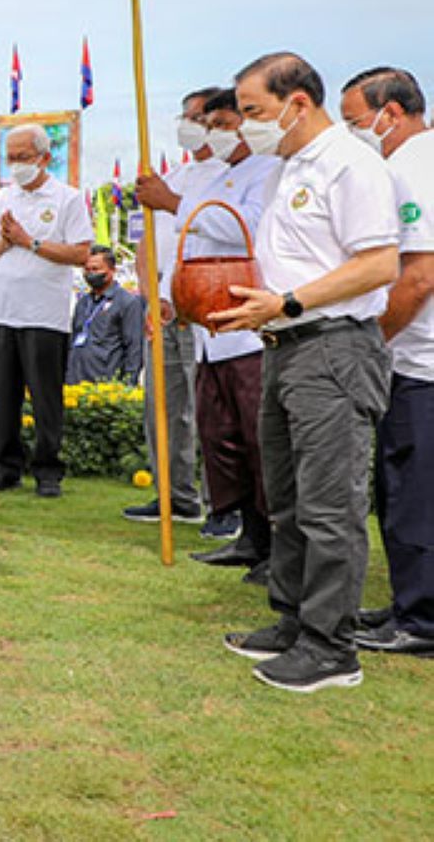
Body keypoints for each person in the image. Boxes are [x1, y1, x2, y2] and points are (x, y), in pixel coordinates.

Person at [213, 52, 397, 693]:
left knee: (330, 505)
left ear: (298, 101)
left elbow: (379, 265)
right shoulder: (285, 168)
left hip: (333, 348)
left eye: (255, 111)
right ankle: (294, 621)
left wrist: (290, 303)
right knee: (287, 498)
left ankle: (331, 648)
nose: (246, 126)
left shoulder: (351, 164)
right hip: (285, 346)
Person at [340, 67, 434, 656]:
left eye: (355, 122)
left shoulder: (411, 166)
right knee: (401, 491)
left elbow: (420, 274)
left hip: (421, 363)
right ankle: (410, 602)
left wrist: (375, 339)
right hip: (417, 360)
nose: (354, 133)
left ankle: (421, 620)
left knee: (414, 495)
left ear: (391, 113)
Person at [173, 92, 281, 559]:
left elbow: (247, 229)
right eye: (209, 123)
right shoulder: (218, 177)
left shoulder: (269, 171)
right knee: (222, 436)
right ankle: (247, 534)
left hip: (247, 327)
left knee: (258, 442)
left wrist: (173, 204)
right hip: (209, 328)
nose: (214, 132)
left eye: (222, 122)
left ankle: (273, 545)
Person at [127, 88, 231, 527]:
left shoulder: (231, 174)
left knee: (210, 409)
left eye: (196, 117)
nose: (186, 125)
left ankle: (224, 503)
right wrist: (154, 296)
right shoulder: (175, 176)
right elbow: (148, 241)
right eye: (183, 116)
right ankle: (174, 495)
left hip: (207, 308)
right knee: (163, 409)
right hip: (166, 309)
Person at [0, 124, 94, 497]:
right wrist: (6, 243)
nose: (16, 165)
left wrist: (31, 241)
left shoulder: (67, 198)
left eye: (23, 157)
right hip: (4, 309)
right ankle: (5, 467)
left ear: (44, 157)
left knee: (45, 396)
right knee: (3, 395)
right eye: (11, 158)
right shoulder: (1, 198)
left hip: (45, 312)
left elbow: (80, 253)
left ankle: (48, 470)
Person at [65, 246, 144, 385]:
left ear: (112, 271)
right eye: (87, 269)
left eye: (95, 269)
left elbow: (134, 348)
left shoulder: (127, 302)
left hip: (105, 384)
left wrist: (128, 385)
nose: (90, 274)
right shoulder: (83, 302)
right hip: (76, 381)